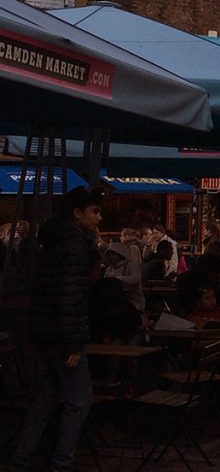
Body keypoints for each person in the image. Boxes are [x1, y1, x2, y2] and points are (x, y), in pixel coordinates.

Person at [14, 187, 102, 472]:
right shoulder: (73, 245)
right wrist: (73, 343)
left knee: (46, 399)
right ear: (77, 213)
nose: (99, 218)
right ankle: (62, 462)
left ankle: (23, 458)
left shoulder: (56, 240)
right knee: (80, 401)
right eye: (94, 211)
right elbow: (69, 297)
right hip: (61, 336)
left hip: (44, 331)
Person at [104, 242, 145, 312]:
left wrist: (118, 278)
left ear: (120, 255)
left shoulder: (131, 265)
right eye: (109, 255)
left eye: (113, 254)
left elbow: (136, 279)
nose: (110, 257)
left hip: (133, 302)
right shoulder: (109, 269)